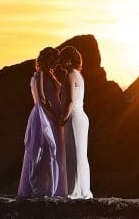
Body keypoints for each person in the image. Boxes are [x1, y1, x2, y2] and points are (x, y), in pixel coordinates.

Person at [17, 47, 60, 198]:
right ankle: (41, 189)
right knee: (44, 151)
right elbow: (42, 99)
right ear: (48, 58)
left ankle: (46, 187)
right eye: (54, 59)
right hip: (44, 116)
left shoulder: (44, 74)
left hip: (43, 114)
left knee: (46, 152)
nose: (56, 62)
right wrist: (55, 116)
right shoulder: (40, 74)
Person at [57, 45, 92, 199]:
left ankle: (74, 191)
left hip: (74, 118)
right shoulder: (78, 75)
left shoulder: (70, 75)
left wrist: (63, 119)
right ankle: (82, 189)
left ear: (68, 60)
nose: (60, 61)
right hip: (81, 117)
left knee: (73, 155)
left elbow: (71, 100)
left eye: (62, 58)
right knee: (80, 155)